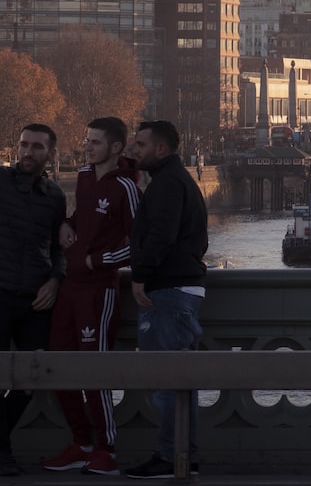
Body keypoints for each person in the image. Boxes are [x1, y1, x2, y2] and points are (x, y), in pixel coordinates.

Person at [43, 117, 139, 476]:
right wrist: (67, 224)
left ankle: (106, 450)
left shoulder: (127, 188)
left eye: (95, 142)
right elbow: (80, 218)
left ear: (115, 148)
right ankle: (81, 443)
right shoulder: (84, 176)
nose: (87, 147)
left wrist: (97, 260)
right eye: (86, 140)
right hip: (69, 286)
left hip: (100, 290)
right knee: (58, 363)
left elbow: (139, 246)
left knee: (93, 370)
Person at [122, 121, 206, 481]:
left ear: (160, 149)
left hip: (169, 291)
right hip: (182, 288)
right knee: (180, 380)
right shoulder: (177, 179)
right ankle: (184, 454)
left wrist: (140, 274)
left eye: (140, 144)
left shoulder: (167, 185)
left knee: (168, 380)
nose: (133, 150)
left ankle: (170, 456)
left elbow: (161, 235)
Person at [1, 124, 67, 478]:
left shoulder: (55, 196)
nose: (28, 152)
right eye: (24, 144)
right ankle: (3, 454)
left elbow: (58, 249)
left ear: (50, 154)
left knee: (32, 379)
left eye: (37, 147)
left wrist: (56, 280)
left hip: (36, 300)